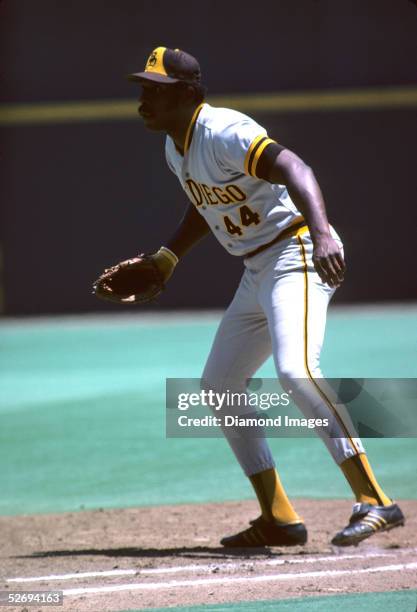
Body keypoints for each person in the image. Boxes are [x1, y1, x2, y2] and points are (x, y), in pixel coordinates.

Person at [125, 46, 405, 547]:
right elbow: (205, 208)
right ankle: (278, 517)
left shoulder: (225, 131)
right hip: (258, 269)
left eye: (155, 91)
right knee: (220, 383)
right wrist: (168, 258)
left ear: (188, 94)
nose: (144, 100)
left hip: (297, 253)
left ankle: (376, 501)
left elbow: (295, 166)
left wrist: (322, 233)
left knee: (296, 370)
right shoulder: (176, 147)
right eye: (143, 89)